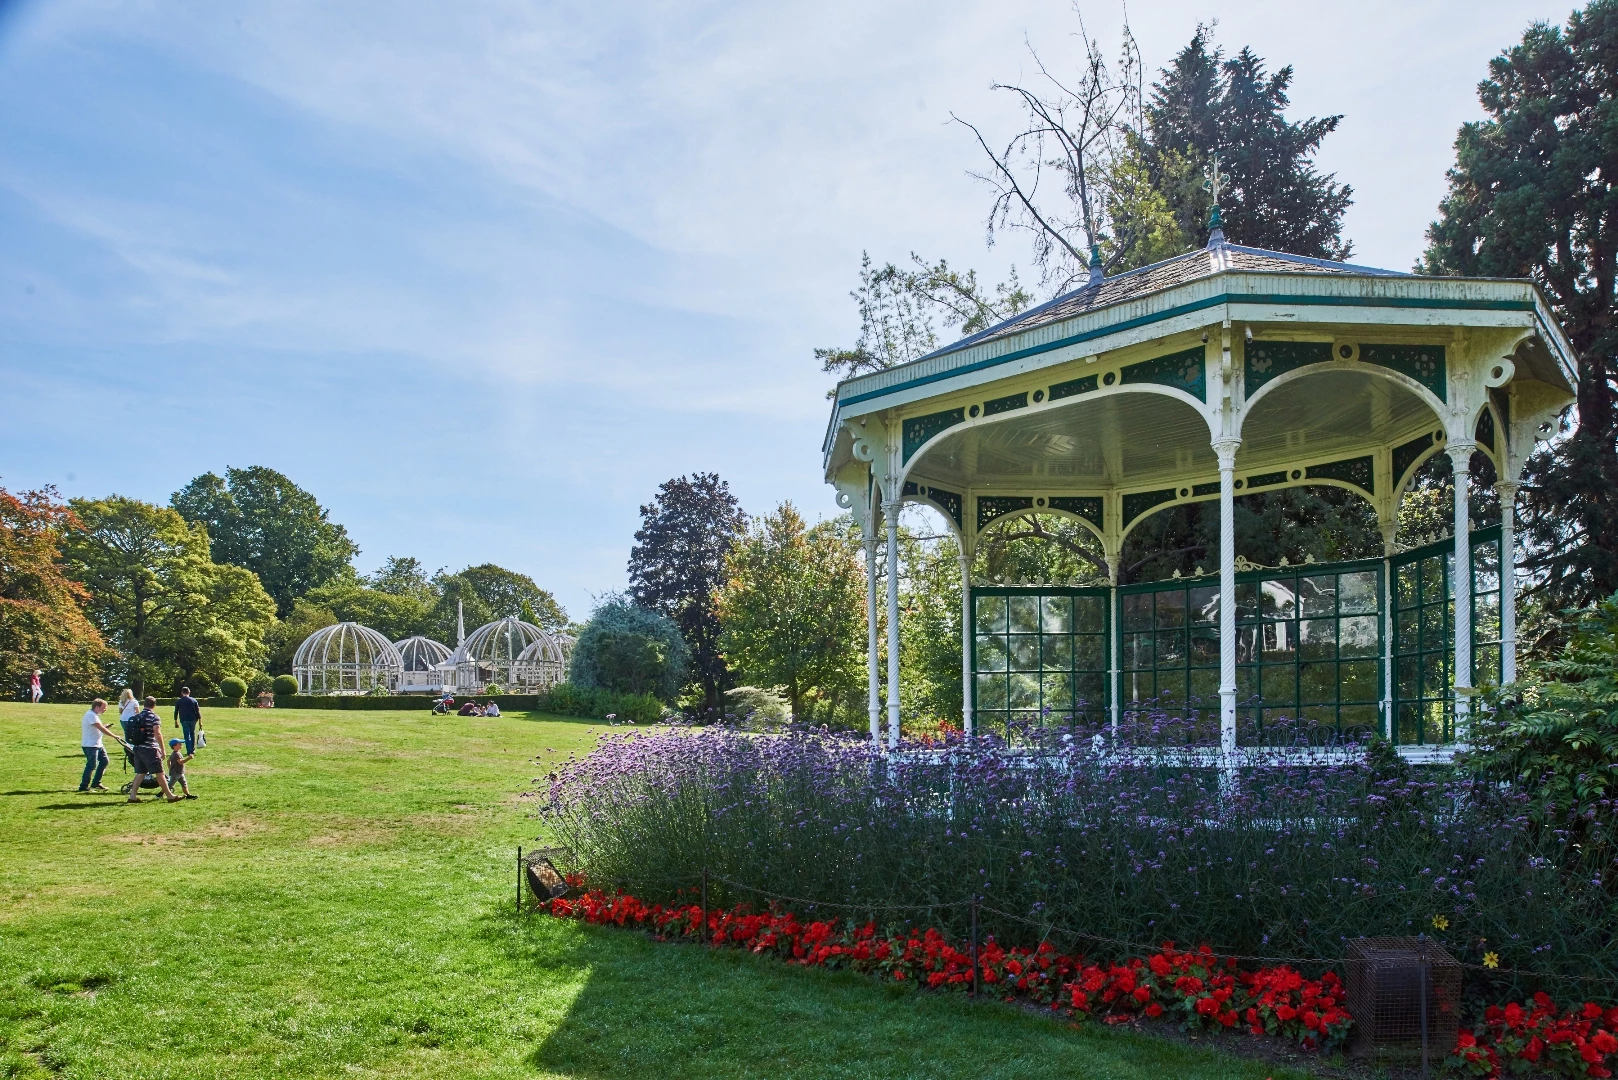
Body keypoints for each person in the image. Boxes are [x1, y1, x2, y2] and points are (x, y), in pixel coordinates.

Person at [125, 696, 181, 803]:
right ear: (154, 705)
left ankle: (132, 796)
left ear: (144, 704)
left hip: (137, 747)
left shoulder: (138, 716)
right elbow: (157, 733)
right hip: (150, 748)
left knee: (141, 773)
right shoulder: (154, 717)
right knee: (159, 772)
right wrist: (162, 749)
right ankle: (170, 796)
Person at [79, 698, 117, 792]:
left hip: (97, 744)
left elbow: (98, 728)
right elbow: (100, 728)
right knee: (91, 765)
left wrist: (105, 727)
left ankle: (96, 783)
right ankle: (83, 786)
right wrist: (114, 736)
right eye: (104, 708)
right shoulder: (90, 715)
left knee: (104, 761)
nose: (105, 710)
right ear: (97, 707)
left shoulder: (94, 715)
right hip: (90, 745)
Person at [173, 687, 203, 754]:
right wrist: (200, 721)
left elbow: (176, 712)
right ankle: (192, 749)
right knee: (192, 733)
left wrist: (175, 721)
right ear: (189, 692)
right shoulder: (194, 700)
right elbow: (197, 712)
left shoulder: (179, 701)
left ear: (182, 693)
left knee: (186, 735)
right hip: (193, 719)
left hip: (184, 720)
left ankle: (189, 750)